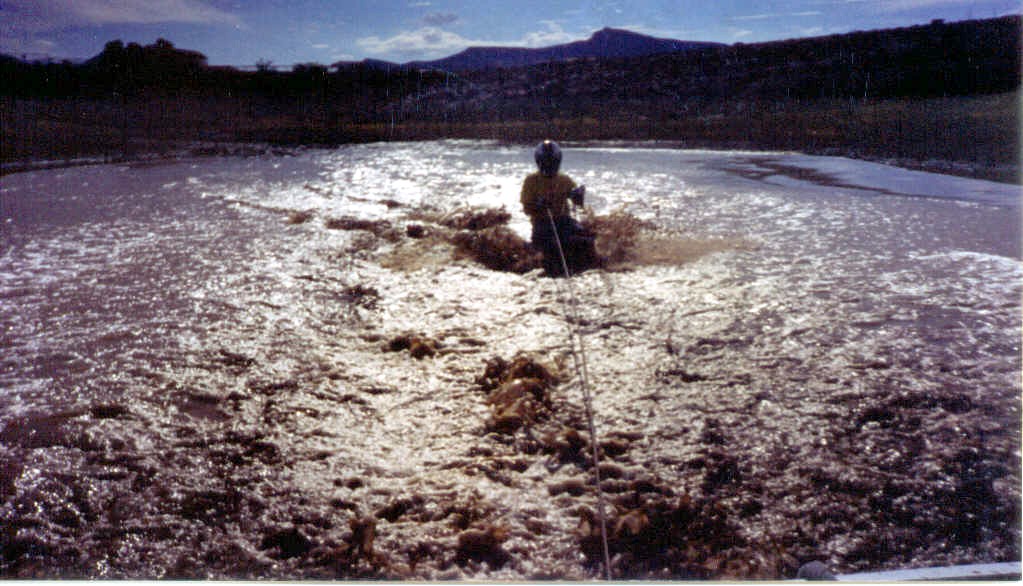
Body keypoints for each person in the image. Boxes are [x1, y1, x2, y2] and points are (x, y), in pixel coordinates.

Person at [520, 140, 599, 277]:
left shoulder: (565, 180)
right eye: (546, 162)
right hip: (542, 223)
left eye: (552, 162)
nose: (549, 166)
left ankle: (590, 264)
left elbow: (578, 203)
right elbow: (527, 209)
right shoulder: (531, 181)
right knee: (554, 244)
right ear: (539, 162)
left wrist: (577, 195)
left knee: (588, 239)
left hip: (564, 221)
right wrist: (538, 205)